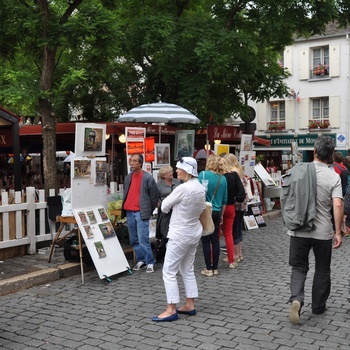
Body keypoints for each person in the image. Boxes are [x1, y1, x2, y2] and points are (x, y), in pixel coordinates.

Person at [287, 136, 343, 325]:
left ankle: (297, 299)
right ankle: (318, 306)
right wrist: (338, 232)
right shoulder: (333, 176)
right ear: (331, 155)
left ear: (314, 151)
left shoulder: (298, 171)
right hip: (323, 231)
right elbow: (337, 204)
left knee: (299, 267)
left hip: (299, 229)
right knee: (322, 269)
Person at [152, 157, 206, 322]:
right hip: (193, 231)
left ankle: (171, 309)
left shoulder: (182, 189)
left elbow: (164, 206)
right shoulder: (200, 188)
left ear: (187, 170)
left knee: (169, 271)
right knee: (187, 269)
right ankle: (190, 304)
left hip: (180, 233)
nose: (176, 171)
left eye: (178, 168)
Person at [121, 154, 160, 273]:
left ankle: (150, 261)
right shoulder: (128, 177)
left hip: (140, 212)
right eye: (130, 161)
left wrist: (148, 210)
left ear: (140, 163)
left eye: (134, 161)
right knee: (134, 238)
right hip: (129, 211)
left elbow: (154, 196)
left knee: (143, 238)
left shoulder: (148, 178)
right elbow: (126, 192)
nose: (131, 163)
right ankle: (141, 259)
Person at [198, 154, 227, 277]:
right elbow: (225, 199)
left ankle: (208, 268)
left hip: (205, 210)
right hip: (217, 210)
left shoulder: (203, 175)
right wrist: (221, 215)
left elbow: (198, 194)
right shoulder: (223, 179)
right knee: (215, 239)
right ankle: (215, 268)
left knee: (205, 240)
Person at [224, 153, 252, 264]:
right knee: (239, 229)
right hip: (243, 205)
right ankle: (239, 253)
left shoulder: (232, 173)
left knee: (234, 230)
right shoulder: (240, 171)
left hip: (236, 204)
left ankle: (235, 255)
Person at [220, 156, 245, 269]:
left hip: (224, 206)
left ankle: (232, 256)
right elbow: (241, 194)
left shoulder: (225, 176)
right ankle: (235, 256)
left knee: (223, 233)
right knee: (234, 231)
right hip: (235, 206)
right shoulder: (237, 173)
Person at [155, 166, 180, 261]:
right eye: (169, 172)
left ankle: (174, 252)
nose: (172, 173)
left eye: (171, 171)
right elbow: (155, 197)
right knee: (165, 230)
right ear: (164, 175)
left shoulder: (177, 182)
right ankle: (162, 249)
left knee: (175, 231)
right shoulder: (159, 185)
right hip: (165, 212)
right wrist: (160, 205)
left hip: (177, 211)